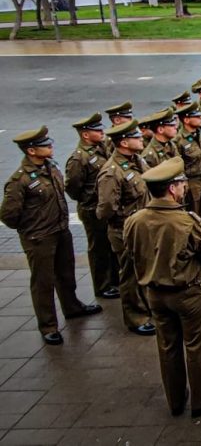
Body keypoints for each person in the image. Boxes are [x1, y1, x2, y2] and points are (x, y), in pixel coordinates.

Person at [125, 156, 201, 418]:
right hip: (187, 293)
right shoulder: (185, 221)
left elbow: (131, 253)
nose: (184, 186)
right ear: (172, 188)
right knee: (195, 346)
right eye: (181, 183)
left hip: (155, 294)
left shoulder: (135, 221)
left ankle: (175, 400)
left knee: (167, 346)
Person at [1, 126, 102, 345]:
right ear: (31, 151)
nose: (50, 147)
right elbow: (8, 215)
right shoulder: (20, 180)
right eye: (45, 146)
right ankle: (48, 325)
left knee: (66, 273)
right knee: (43, 282)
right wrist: (32, 227)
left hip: (60, 230)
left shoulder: (51, 168)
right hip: (39, 237)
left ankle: (72, 306)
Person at [96, 119, 155, 336]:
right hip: (125, 230)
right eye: (136, 137)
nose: (141, 139)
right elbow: (105, 209)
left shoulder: (136, 161)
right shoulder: (112, 172)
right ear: (124, 142)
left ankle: (147, 309)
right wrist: (126, 219)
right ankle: (135, 318)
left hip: (142, 227)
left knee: (144, 270)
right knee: (130, 275)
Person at [65, 113, 119, 299]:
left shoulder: (101, 148)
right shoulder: (79, 158)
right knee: (98, 249)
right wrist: (89, 199)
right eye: (97, 130)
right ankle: (102, 286)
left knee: (109, 246)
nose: (101, 131)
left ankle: (113, 280)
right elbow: (73, 187)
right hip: (91, 208)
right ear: (85, 135)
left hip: (103, 206)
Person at [174, 102, 201, 224]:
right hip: (191, 182)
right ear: (186, 120)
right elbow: (178, 165)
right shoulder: (179, 140)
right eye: (197, 116)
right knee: (194, 216)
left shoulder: (200, 134)